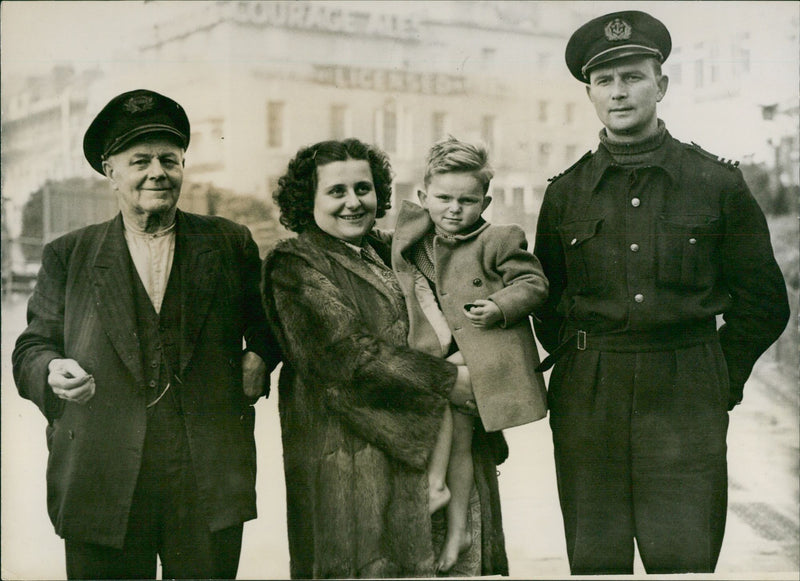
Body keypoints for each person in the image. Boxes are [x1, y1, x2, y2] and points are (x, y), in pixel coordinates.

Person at [533, 10, 790, 575]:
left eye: (633, 77)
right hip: (589, 396)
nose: (619, 93)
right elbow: (547, 304)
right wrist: (585, 360)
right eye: (605, 81)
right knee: (596, 563)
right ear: (590, 93)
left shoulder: (717, 184)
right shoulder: (565, 194)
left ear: (661, 85)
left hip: (686, 392)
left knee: (684, 562)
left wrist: (720, 372)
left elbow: (766, 302)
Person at [12, 89, 281, 579]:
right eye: (140, 160)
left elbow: (268, 323)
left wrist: (260, 356)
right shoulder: (68, 255)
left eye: (169, 159)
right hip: (103, 474)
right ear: (111, 172)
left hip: (205, 476)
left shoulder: (227, 244)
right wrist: (52, 369)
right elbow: (32, 346)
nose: (157, 171)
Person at [261, 138, 509, 578]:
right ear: (308, 199)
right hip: (363, 478)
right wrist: (448, 381)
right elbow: (345, 358)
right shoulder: (296, 261)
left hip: (442, 459)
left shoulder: (393, 248)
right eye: (336, 192)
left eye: (363, 188)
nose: (353, 202)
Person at [390, 137, 548, 572]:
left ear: (485, 201)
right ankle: (457, 525)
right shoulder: (412, 234)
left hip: (486, 353)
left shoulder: (498, 239)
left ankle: (437, 487)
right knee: (458, 437)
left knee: (440, 391)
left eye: (467, 200)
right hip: (445, 350)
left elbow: (534, 284)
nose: (454, 209)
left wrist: (499, 306)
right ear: (423, 197)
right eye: (443, 198)